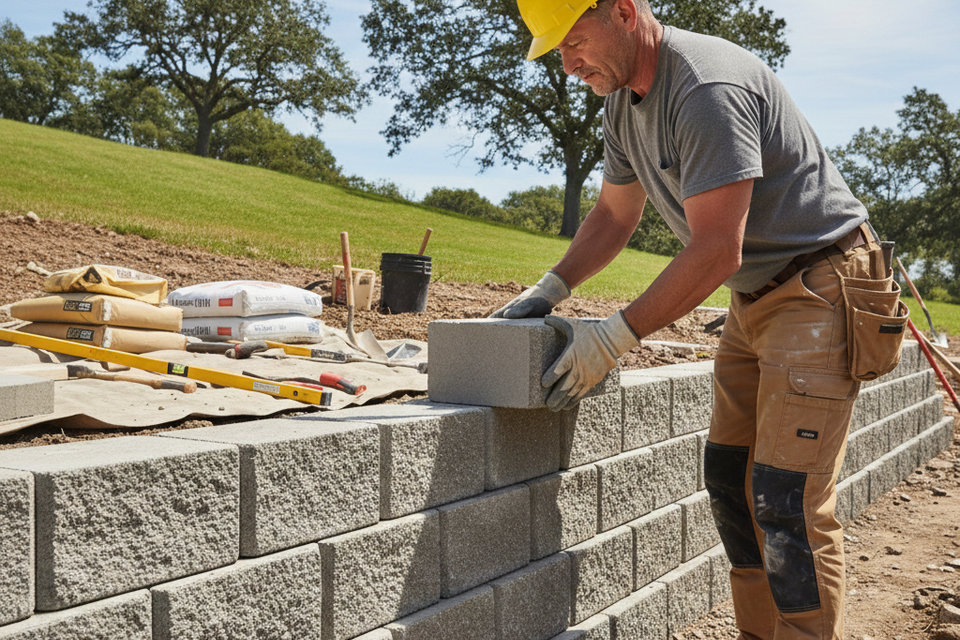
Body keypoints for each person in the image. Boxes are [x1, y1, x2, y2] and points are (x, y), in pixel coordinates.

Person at [492, 0, 907, 638]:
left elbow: (717, 247)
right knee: (733, 486)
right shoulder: (622, 100)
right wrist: (552, 288)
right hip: (754, 299)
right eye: (557, 50)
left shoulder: (705, 87)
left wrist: (614, 337)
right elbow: (612, 215)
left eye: (574, 40)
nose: (568, 63)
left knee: (785, 501)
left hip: (817, 289)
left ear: (624, 12)